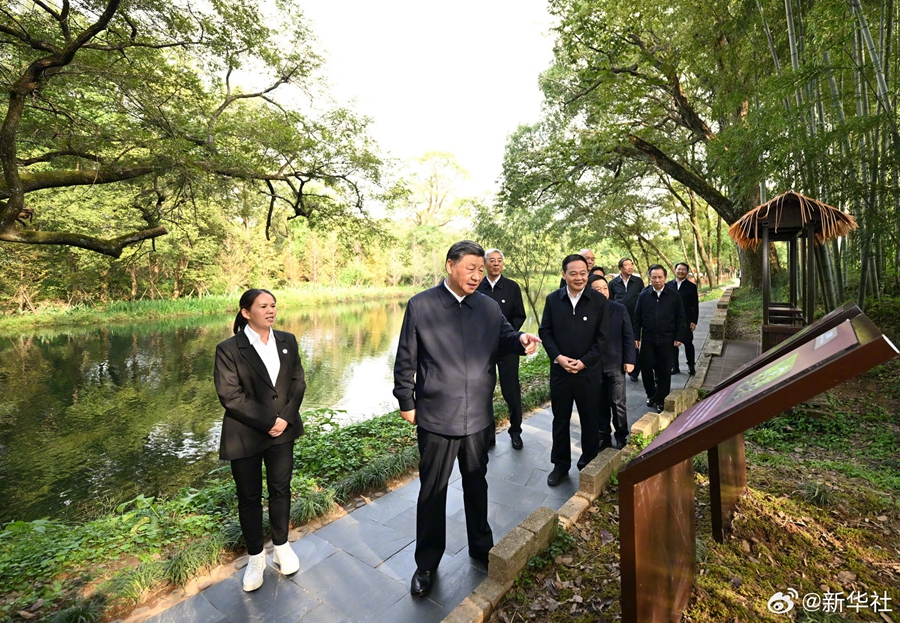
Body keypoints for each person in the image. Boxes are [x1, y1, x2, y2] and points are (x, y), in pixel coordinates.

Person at [393, 240, 542, 598]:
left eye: (481, 269)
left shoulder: (488, 307)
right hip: (436, 414)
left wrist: (520, 339)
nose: (477, 275)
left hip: (477, 413)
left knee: (477, 483)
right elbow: (405, 359)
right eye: (470, 268)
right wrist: (406, 400)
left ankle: (481, 545)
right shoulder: (422, 305)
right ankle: (426, 563)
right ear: (450, 266)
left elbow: (505, 337)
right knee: (433, 491)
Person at [214, 289, 307, 592]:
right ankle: (256, 557)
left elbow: (298, 382)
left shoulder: (287, 341)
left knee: (281, 490)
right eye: (263, 306)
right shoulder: (229, 349)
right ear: (245, 312)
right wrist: (268, 421)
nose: (271, 311)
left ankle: (281, 546)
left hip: (283, 431)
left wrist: (285, 418)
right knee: (249, 497)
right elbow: (230, 396)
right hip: (245, 434)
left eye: (274, 306)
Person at [539, 254, 608, 487]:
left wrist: (584, 362)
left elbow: (603, 338)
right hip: (560, 372)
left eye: (582, 273)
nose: (579, 277)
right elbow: (545, 332)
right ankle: (560, 465)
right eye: (573, 273)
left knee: (590, 419)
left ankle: (588, 461)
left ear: (587, 274)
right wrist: (558, 358)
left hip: (588, 372)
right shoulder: (552, 300)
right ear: (564, 275)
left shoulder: (598, 300)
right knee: (560, 419)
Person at [477, 248, 528, 450]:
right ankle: (488, 434)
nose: (496, 264)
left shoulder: (511, 287)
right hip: (483, 350)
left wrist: (508, 336)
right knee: (484, 392)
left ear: (502, 264)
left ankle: (515, 432)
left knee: (511, 391)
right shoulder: (477, 286)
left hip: (508, 348)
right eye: (492, 260)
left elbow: (519, 316)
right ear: (485, 264)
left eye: (499, 260)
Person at [588, 275, 636, 449]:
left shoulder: (619, 309)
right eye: (597, 289)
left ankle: (621, 434)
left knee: (617, 403)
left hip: (615, 364)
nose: (602, 292)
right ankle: (604, 435)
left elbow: (628, 336)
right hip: (593, 366)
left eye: (605, 288)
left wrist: (629, 360)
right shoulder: (585, 310)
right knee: (599, 403)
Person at [632, 265, 687, 413]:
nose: (657, 280)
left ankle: (662, 398)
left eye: (660, 277)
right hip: (648, 339)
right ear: (649, 279)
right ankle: (651, 394)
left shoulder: (674, 295)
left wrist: (679, 336)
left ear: (665, 278)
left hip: (667, 339)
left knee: (664, 370)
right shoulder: (643, 296)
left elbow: (681, 318)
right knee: (646, 368)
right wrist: (636, 336)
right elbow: (637, 318)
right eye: (654, 277)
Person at [608, 258, 644, 382]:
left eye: (631, 264)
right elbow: (610, 300)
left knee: (634, 343)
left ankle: (634, 371)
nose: (629, 267)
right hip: (619, 317)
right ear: (620, 268)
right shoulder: (613, 283)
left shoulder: (638, 281)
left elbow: (642, 298)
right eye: (626, 265)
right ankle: (620, 367)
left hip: (635, 318)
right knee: (620, 342)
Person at [669, 262, 699, 375]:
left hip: (686, 321)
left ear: (687, 272)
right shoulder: (668, 285)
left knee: (688, 343)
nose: (681, 271)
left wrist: (694, 321)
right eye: (679, 269)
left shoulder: (691, 287)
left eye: (684, 269)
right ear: (675, 270)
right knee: (673, 344)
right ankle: (674, 366)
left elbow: (694, 305)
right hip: (671, 320)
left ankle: (691, 365)